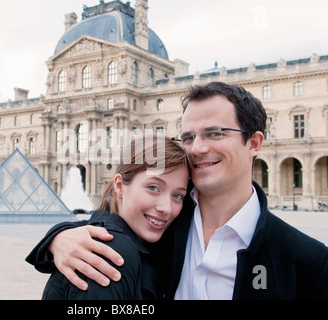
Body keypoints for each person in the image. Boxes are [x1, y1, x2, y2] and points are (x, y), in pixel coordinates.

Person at [29, 82, 328, 299]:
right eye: (188, 137)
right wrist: (59, 238)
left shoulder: (310, 262)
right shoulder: (159, 227)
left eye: (214, 133)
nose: (197, 148)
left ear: (254, 143)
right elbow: (110, 229)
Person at [26, 135, 190, 299]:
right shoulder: (109, 252)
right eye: (153, 187)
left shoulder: (142, 242)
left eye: (177, 196)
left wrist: (55, 236)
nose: (166, 208)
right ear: (119, 186)